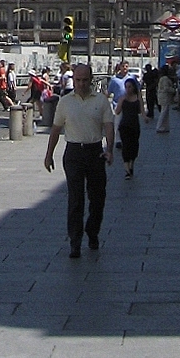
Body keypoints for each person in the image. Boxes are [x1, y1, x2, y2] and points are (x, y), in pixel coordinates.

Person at [46, 61, 116, 258]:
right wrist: (49, 154)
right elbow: (56, 129)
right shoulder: (65, 102)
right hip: (74, 152)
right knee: (76, 199)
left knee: (97, 198)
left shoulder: (101, 101)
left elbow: (109, 126)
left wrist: (109, 149)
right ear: (73, 80)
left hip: (95, 152)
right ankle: (75, 241)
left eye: (85, 80)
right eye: (78, 80)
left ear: (91, 80)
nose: (81, 84)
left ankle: (92, 232)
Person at [116, 64, 143, 180]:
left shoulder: (138, 98)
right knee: (126, 147)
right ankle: (127, 169)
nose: (128, 89)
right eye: (126, 87)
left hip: (135, 125)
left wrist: (146, 118)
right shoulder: (122, 98)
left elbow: (142, 111)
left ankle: (131, 165)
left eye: (130, 87)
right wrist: (120, 102)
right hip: (124, 126)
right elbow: (117, 112)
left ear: (134, 87)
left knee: (134, 147)